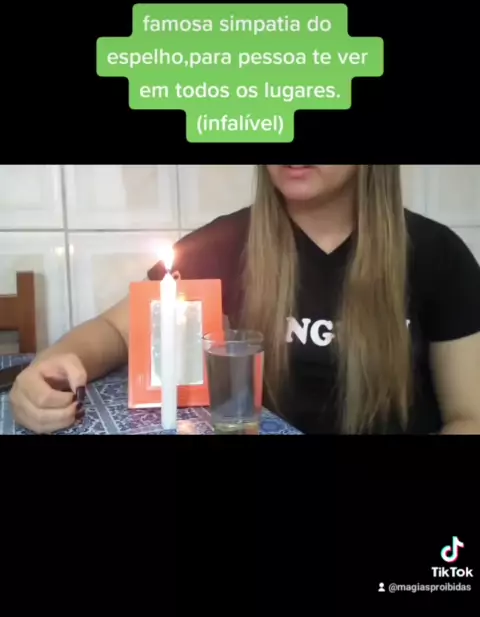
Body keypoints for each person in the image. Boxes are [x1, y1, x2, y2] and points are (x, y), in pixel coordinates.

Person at [9, 165, 480, 435]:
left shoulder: (439, 255)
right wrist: (48, 369)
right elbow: (114, 330)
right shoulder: (223, 244)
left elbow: (469, 417)